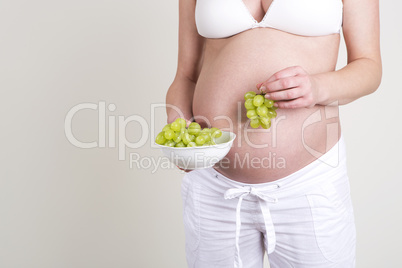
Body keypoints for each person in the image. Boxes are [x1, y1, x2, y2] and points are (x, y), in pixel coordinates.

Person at [165, 0, 381, 267]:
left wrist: (318, 87)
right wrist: (178, 122)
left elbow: (369, 66)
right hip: (213, 187)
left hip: (308, 185)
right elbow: (185, 76)